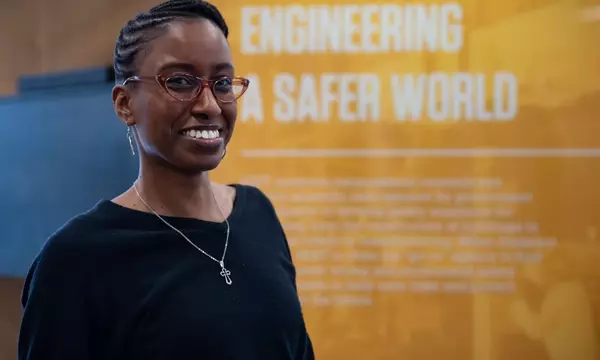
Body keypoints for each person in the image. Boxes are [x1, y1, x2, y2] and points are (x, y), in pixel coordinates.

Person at [17, 1, 315, 359]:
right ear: (125, 103)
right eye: (179, 81)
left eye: (221, 83)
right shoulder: (74, 262)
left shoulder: (258, 214)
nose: (209, 105)